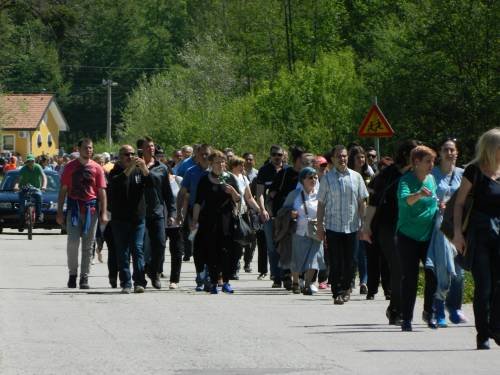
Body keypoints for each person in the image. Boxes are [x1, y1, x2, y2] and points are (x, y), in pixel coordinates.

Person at [361, 140, 420, 324]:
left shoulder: (419, 174)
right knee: (398, 266)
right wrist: (366, 226)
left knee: (407, 268)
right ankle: (397, 311)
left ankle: (395, 307)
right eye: (415, 153)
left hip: (410, 226)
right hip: (388, 225)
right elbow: (373, 201)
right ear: (405, 155)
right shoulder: (388, 173)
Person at [452, 128, 500, 350]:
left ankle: (495, 326)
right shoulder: (474, 171)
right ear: (492, 148)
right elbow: (459, 204)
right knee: (484, 286)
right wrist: (458, 234)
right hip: (479, 234)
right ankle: (483, 334)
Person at [317, 145, 369, 305]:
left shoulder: (356, 177)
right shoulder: (327, 178)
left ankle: (346, 288)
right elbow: (321, 205)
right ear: (332, 159)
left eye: (345, 156)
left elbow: (362, 202)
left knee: (351, 260)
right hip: (333, 227)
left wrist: (364, 225)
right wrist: (320, 227)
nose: (342, 159)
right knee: (336, 260)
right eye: (339, 156)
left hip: (352, 226)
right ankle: (337, 292)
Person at [425, 138, 468, 327]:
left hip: (459, 227)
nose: (450, 153)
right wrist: (437, 204)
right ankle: (439, 306)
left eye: (452, 150)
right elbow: (426, 197)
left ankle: (455, 307)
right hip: (439, 227)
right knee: (442, 267)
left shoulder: (464, 174)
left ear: (457, 153)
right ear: (440, 153)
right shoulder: (431, 174)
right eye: (446, 150)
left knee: (459, 272)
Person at [396, 145, 438, 332]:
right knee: (410, 278)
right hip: (407, 235)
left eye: (433, 161)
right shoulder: (405, 181)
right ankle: (406, 318)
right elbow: (407, 201)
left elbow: (434, 203)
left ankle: (429, 312)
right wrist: (420, 194)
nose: (431, 165)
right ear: (416, 162)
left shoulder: (431, 179)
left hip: (429, 235)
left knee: (433, 275)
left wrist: (441, 206)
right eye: (428, 161)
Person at [57, 138, 108, 289]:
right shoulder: (70, 167)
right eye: (86, 148)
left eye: (91, 148)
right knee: (72, 244)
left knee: (88, 246)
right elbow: (63, 190)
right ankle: (73, 274)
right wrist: (59, 212)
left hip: (91, 211)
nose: (89, 150)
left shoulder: (97, 168)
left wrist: (104, 212)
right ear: (78, 149)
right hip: (74, 210)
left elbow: (102, 191)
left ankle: (84, 277)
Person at [191, 150, 241, 294]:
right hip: (208, 220)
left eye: (223, 162)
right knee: (211, 251)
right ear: (211, 164)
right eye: (217, 162)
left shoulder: (230, 178)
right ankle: (213, 283)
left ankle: (226, 282)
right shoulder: (204, 180)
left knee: (227, 251)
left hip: (227, 220)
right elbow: (198, 202)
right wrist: (194, 220)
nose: (221, 165)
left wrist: (233, 193)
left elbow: (238, 200)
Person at [108, 145, 149, 294]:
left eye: (133, 154)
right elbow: (119, 183)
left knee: (137, 249)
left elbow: (151, 184)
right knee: (122, 251)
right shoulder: (113, 172)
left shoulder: (139, 170)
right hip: (120, 219)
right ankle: (126, 282)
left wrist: (145, 168)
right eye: (127, 154)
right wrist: (130, 168)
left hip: (137, 217)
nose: (130, 157)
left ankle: (139, 281)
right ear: (120, 156)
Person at [138, 136, 175, 290]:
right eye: (148, 146)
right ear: (142, 149)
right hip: (138, 212)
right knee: (138, 247)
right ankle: (140, 279)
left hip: (157, 210)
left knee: (159, 244)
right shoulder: (135, 166)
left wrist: (172, 213)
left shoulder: (162, 168)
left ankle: (154, 271)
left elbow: (167, 192)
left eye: (152, 146)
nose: (151, 149)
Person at [285, 167, 325, 295]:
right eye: (310, 177)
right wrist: (290, 214)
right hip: (299, 231)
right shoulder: (294, 194)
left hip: (316, 230)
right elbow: (282, 211)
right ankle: (296, 282)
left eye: (315, 177)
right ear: (302, 180)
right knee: (297, 259)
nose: (313, 180)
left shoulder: (321, 194)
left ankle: (308, 284)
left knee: (314, 258)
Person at [177, 144, 211, 289]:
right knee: (197, 244)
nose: (204, 156)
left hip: (212, 213)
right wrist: (179, 212)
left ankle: (210, 275)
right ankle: (200, 274)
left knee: (212, 244)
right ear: (196, 155)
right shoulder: (191, 172)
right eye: (202, 153)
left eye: (207, 154)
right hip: (194, 213)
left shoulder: (217, 172)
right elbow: (182, 192)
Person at [256, 145, 285, 286]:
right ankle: (276, 276)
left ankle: (286, 274)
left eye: (279, 154)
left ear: (283, 156)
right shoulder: (264, 171)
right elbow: (260, 193)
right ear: (270, 155)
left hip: (285, 215)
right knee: (272, 247)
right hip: (269, 214)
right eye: (274, 154)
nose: (277, 157)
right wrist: (262, 209)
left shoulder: (288, 171)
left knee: (286, 244)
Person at [229, 157, 262, 276]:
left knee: (248, 238)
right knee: (235, 241)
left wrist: (259, 209)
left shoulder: (243, 178)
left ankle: (240, 263)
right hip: (232, 213)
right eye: (240, 165)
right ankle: (234, 267)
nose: (243, 167)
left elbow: (249, 197)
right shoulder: (228, 177)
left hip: (243, 213)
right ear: (233, 166)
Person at [348, 146, 374, 295]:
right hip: (351, 216)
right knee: (353, 251)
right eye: (358, 157)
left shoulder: (369, 174)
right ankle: (351, 280)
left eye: (363, 157)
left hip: (367, 214)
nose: (361, 160)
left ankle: (364, 281)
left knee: (364, 252)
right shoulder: (348, 175)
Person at [163, 165, 184, 289]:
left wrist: (184, 215)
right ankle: (155, 272)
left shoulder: (178, 180)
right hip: (160, 221)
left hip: (177, 222)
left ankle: (174, 280)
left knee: (177, 252)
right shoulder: (156, 182)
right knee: (158, 250)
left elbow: (186, 197)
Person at [14, 154, 47, 226]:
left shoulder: (38, 167)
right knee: (22, 206)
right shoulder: (23, 169)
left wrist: (44, 186)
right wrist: (16, 186)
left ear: (34, 161)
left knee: (39, 196)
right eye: (29, 161)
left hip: (35, 188)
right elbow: (18, 180)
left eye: (32, 161)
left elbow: (44, 177)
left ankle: (39, 215)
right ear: (27, 162)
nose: (30, 163)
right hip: (24, 188)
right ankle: (21, 221)